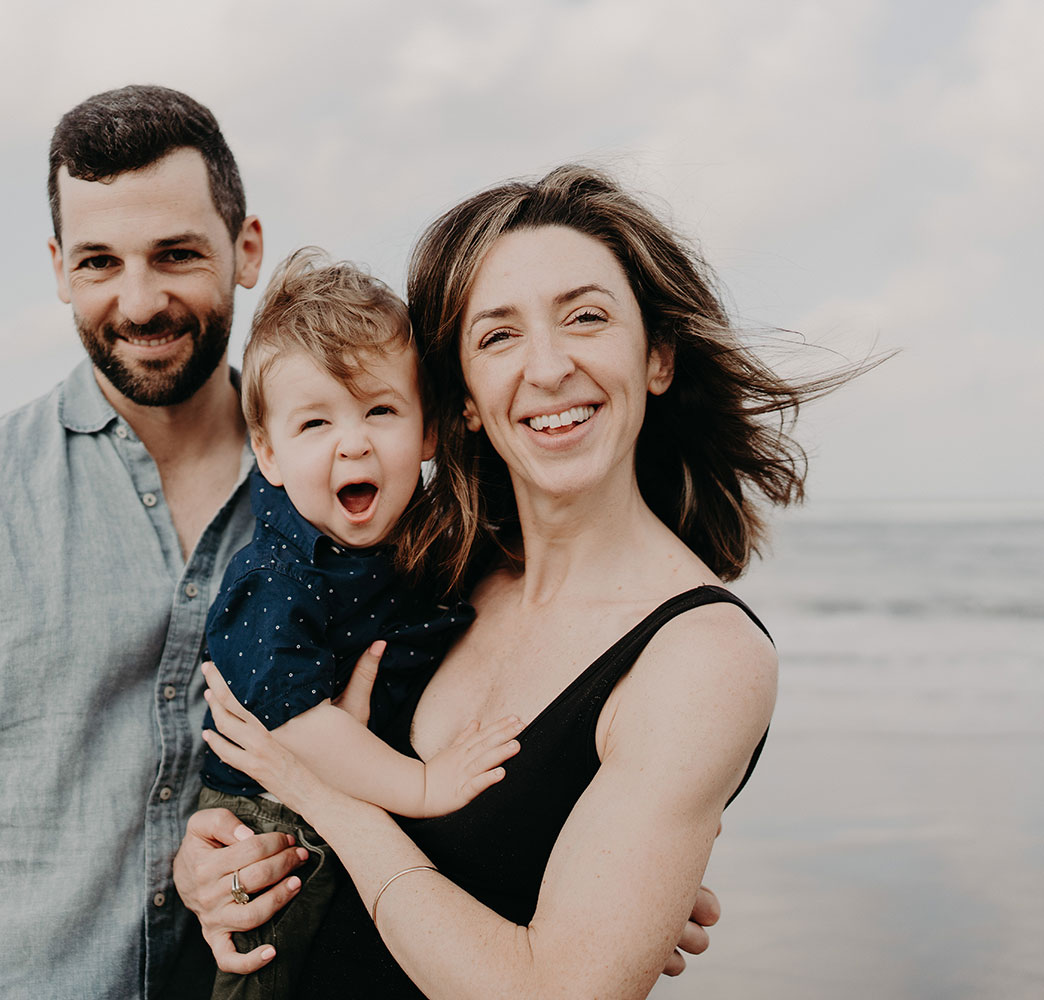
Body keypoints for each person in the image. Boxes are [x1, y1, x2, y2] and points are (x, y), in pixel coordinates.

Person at [0, 81, 719, 999]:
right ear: (57, 268)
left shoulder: (362, 497)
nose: (139, 300)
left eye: (176, 253)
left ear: (245, 249)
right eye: (98, 262)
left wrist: (610, 877)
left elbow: (500, 701)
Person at [186, 164, 851, 997]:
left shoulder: (701, 659)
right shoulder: (432, 574)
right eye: (499, 335)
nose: (547, 367)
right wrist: (221, 865)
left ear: (658, 357)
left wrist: (330, 803)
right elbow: (277, 775)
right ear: (461, 399)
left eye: (586, 317)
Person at [198, 249, 522, 1000]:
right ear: (269, 454)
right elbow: (299, 729)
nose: (354, 442)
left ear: (430, 430)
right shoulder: (276, 578)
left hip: (370, 796)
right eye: (316, 422)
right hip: (269, 819)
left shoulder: (428, 535)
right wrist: (424, 784)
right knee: (268, 968)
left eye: (380, 410)